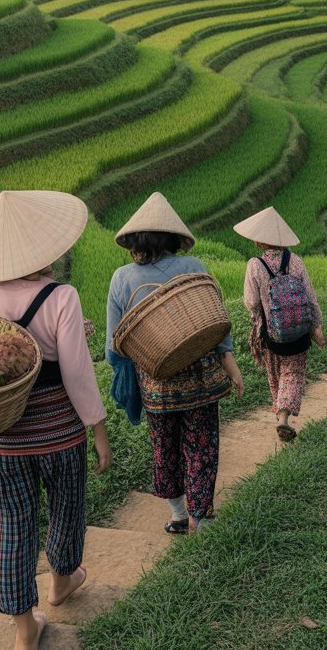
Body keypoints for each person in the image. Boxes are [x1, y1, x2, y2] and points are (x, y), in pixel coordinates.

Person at [0, 190, 111, 650]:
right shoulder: (61, 295)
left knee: (9, 524)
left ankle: (26, 629)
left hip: (3, 437)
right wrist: (98, 431)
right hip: (59, 432)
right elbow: (77, 372)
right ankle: (62, 583)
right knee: (66, 506)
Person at [106, 192, 243, 534]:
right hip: (201, 381)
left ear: (134, 241)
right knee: (201, 447)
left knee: (164, 448)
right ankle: (200, 517)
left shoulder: (122, 278)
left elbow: (114, 346)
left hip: (157, 386)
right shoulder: (194, 267)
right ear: (172, 238)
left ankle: (179, 516)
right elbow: (214, 319)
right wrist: (230, 364)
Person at [234, 206, 325, 442]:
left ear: (261, 241)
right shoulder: (295, 261)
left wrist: (262, 316)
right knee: (293, 373)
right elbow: (310, 297)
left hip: (269, 333)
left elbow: (251, 302)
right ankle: (284, 418)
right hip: (299, 331)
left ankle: (280, 416)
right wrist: (316, 327)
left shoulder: (255, 265)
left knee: (275, 375)